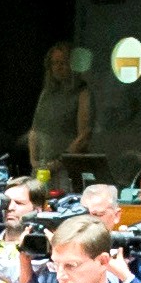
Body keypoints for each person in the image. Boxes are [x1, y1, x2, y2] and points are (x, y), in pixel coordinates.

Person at [28, 40, 91, 183]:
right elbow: (35, 129)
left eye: (63, 63)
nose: (58, 67)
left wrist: (59, 162)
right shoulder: (47, 93)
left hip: (65, 169)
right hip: (42, 167)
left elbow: (84, 136)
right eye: (54, 63)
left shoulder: (82, 93)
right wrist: (33, 161)